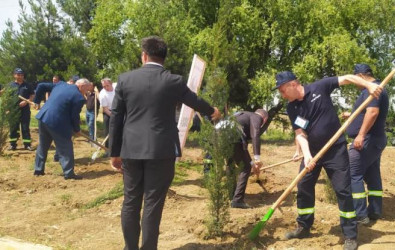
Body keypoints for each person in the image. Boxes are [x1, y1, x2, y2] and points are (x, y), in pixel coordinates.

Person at [109, 36, 221, 250]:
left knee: (131, 201)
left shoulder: (125, 80)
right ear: (163, 58)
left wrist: (114, 152)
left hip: (131, 150)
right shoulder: (174, 81)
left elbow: (116, 117)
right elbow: (194, 101)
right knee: (153, 203)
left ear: (144, 55)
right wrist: (212, 111)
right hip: (161, 151)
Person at [273, 70, 382, 250]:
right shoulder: (292, 108)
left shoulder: (319, 87)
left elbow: (347, 78)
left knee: (343, 191)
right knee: (304, 186)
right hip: (313, 152)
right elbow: (300, 133)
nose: (282, 94)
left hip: (335, 151)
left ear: (293, 84)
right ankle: (304, 226)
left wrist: (368, 85)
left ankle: (350, 235)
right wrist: (307, 156)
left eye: (282, 90)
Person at [344, 64, 389, 225]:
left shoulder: (373, 89)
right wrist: (352, 115)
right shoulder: (377, 89)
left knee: (353, 174)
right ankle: (375, 210)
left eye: (355, 79)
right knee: (372, 174)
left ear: (361, 76)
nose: (355, 83)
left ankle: (360, 215)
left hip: (367, 140)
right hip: (376, 139)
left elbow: (373, 112)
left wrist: (361, 135)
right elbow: (368, 111)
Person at [34, 78, 94, 179]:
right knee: (65, 147)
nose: (86, 92)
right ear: (82, 86)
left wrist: (37, 101)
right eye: (87, 89)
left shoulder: (61, 84)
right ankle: (69, 173)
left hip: (43, 118)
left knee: (43, 145)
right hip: (57, 122)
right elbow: (74, 116)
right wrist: (77, 129)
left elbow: (41, 86)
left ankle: (38, 170)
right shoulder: (79, 97)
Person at [229, 109, 268, 209]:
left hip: (221, 136)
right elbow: (255, 134)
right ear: (264, 119)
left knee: (231, 163)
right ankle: (237, 200)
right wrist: (257, 158)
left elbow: (243, 149)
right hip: (234, 138)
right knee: (245, 168)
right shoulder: (257, 117)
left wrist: (252, 164)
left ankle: (232, 194)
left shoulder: (241, 116)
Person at [7, 68, 34, 151]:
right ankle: (12, 145)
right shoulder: (10, 85)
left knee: (25, 127)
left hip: (25, 109)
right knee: (13, 127)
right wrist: (7, 109)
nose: (20, 76)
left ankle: (27, 144)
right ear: (14, 75)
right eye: (18, 74)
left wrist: (26, 102)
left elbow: (32, 95)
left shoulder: (27, 85)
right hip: (13, 109)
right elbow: (7, 98)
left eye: (22, 75)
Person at [98, 77, 115, 146]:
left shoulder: (116, 86)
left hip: (117, 110)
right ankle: (107, 149)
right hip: (108, 112)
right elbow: (105, 109)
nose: (106, 87)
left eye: (107, 85)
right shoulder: (102, 94)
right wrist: (113, 116)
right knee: (107, 131)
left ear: (111, 84)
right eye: (104, 86)